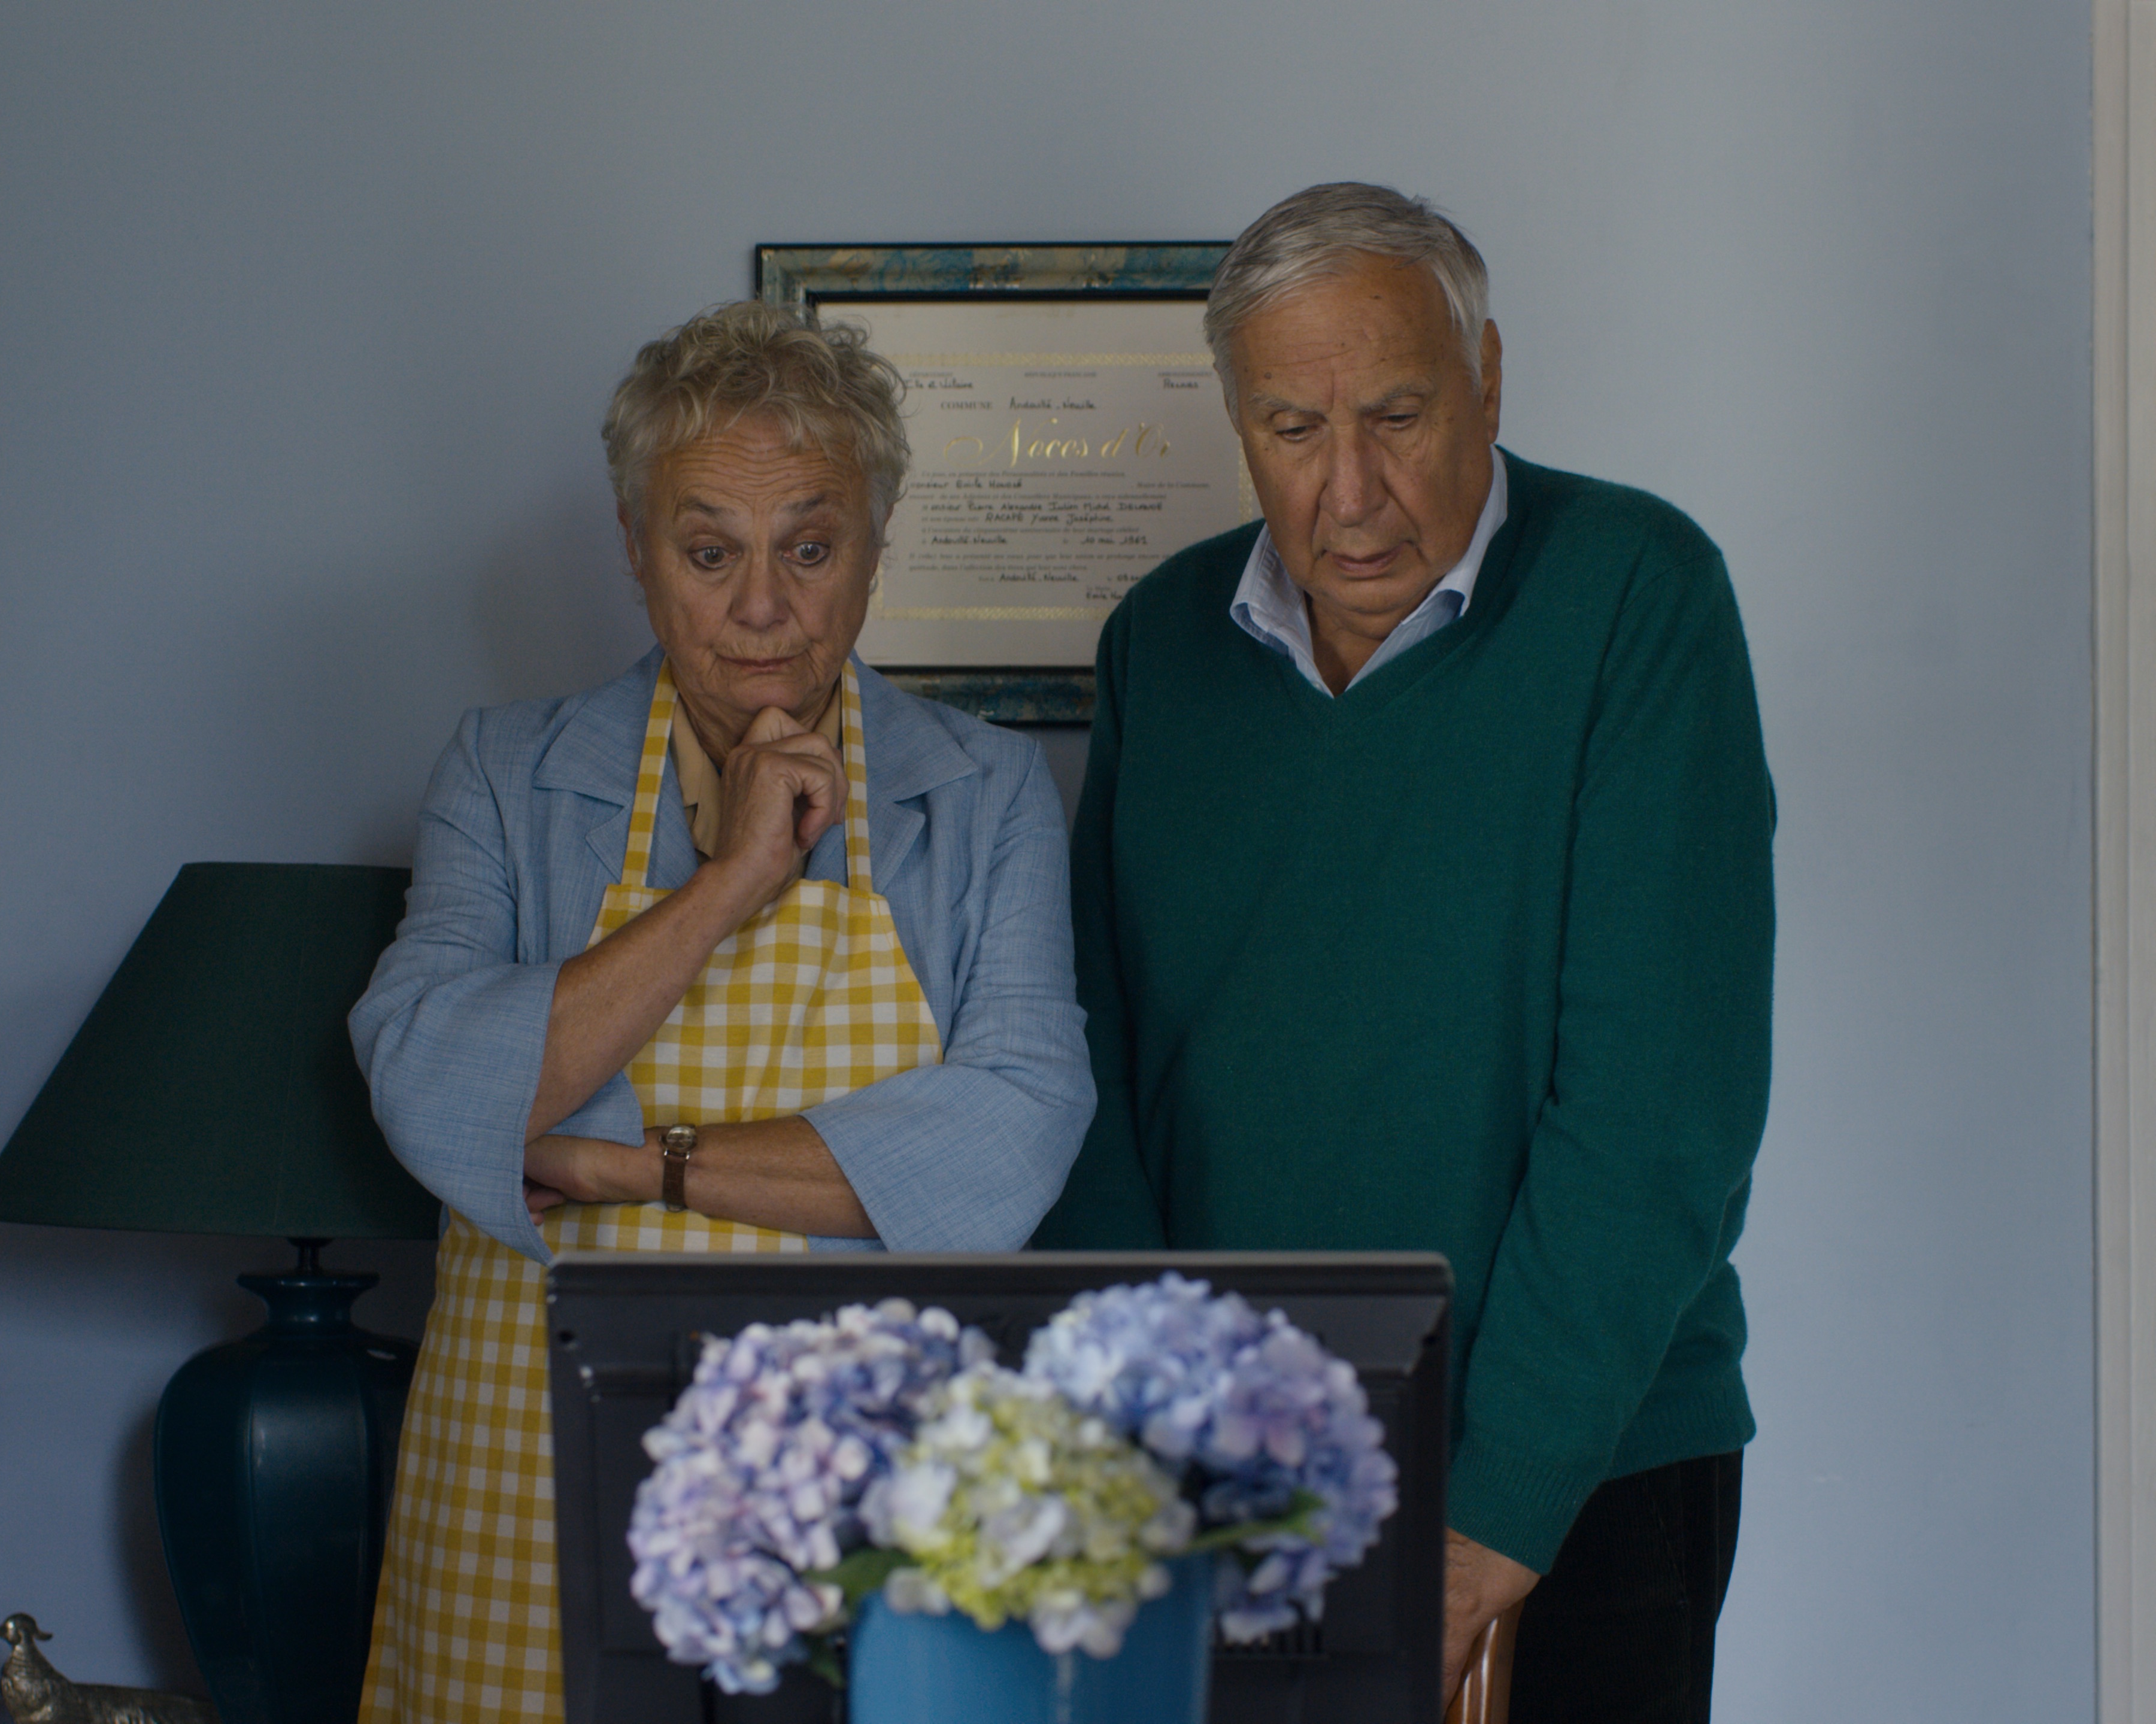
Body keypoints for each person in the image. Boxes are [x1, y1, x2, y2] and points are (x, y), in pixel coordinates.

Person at [1034, 182, 1774, 1723]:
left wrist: (1493, 1523)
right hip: (1229, 1478)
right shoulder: (1160, 639)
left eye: (1397, 416)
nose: (1350, 492)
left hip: (1582, 1479)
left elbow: (1657, 1113)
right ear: (1240, 425)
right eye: (1294, 430)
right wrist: (1148, 1441)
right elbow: (1093, 1073)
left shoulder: (1638, 593)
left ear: (1486, 379)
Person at [350, 299, 1096, 1723]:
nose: (762, 607)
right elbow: (429, 1083)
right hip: (532, 1453)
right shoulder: (505, 774)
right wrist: (733, 880)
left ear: (874, 548)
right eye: (710, 553)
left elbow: (1012, 1138)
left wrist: (630, 1166)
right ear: (636, 552)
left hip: (862, 1481)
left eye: (809, 548)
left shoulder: (985, 793)